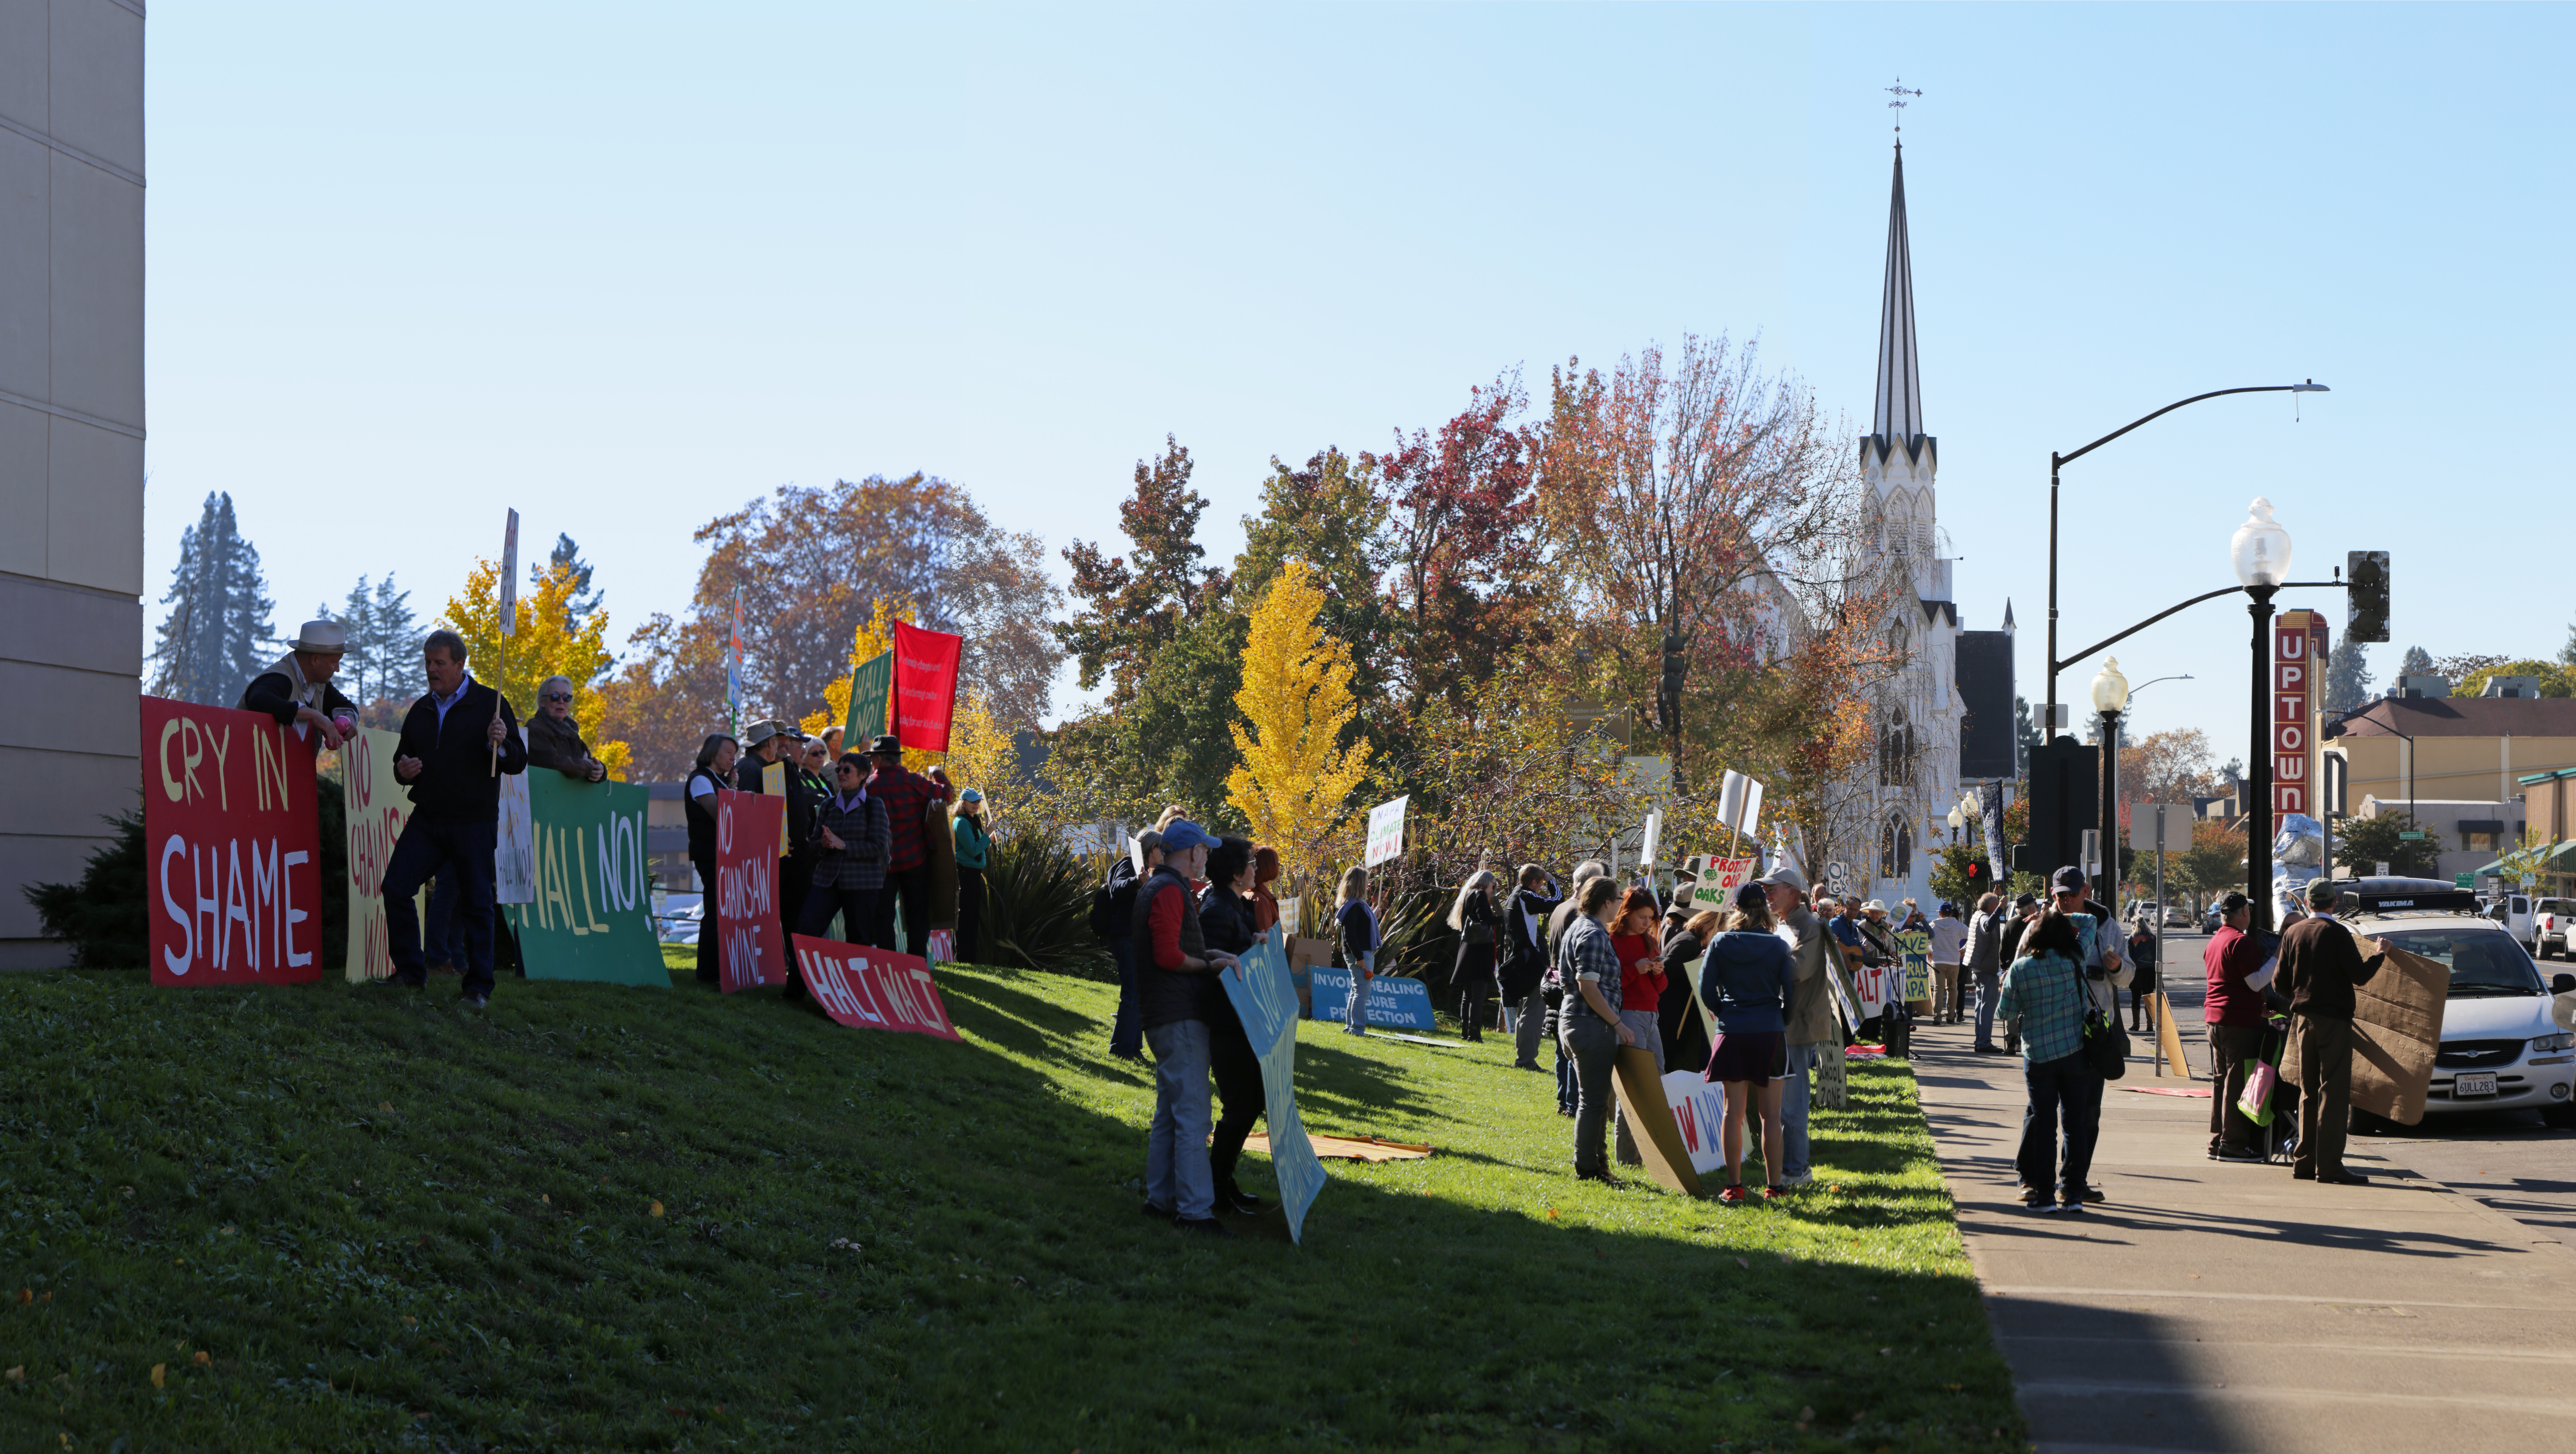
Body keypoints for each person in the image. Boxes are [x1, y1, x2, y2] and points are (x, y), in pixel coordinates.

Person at [375, 630, 527, 1009]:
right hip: (427, 818)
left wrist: (503, 743)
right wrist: (403, 770)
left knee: (477, 903)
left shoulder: (491, 705)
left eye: (439, 663)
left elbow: (518, 762)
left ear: (460, 665)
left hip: (474, 821)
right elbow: (401, 762)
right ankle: (411, 973)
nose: (431, 670)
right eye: (428, 663)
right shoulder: (421, 710)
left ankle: (478, 988)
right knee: (395, 888)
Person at [1131, 819, 1238, 1234]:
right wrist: (1210, 966)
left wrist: (1214, 954)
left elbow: (1178, 947)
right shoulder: (1170, 890)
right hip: (1178, 1018)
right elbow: (1169, 956)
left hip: (1164, 1016)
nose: (1208, 857)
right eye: (1205, 851)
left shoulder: (1161, 888)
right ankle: (1194, 1211)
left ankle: (1160, 1200)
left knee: (1169, 1114)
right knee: (1193, 1116)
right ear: (1191, 851)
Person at [2276, 878, 2391, 1186]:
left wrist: (2300, 997)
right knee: (2333, 1092)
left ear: (2308, 904)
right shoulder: (2338, 934)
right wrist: (2379, 954)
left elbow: (2278, 983)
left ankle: (2304, 1161)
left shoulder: (2293, 933)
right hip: (2334, 1022)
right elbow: (2360, 975)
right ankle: (2328, 1166)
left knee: (2308, 1091)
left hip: (2303, 1020)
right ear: (2334, 903)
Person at [1996, 904, 2104, 1212]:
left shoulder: (2022, 968)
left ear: (2035, 935)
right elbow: (2090, 922)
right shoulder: (2075, 959)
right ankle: (2072, 1194)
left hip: (2039, 1057)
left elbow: (2004, 1013)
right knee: (2074, 1125)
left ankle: (2044, 1196)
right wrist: (2060, 916)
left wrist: (2040, 920)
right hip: (2074, 1053)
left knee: (2045, 1125)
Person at [1702, 883, 1798, 1203]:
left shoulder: (1720, 942)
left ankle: (1734, 1186)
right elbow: (1792, 992)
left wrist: (1725, 1013)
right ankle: (1775, 1186)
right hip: (1769, 1032)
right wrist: (1780, 1019)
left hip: (1732, 1031)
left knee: (1733, 1112)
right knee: (1771, 1115)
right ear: (1765, 910)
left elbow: (1706, 992)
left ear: (1736, 909)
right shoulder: (1778, 946)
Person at [1195, 835, 1269, 1215]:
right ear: (1237, 872)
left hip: (1242, 1022)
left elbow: (1237, 954)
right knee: (1242, 1105)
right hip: (1227, 1024)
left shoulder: (1233, 904)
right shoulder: (1217, 907)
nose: (1256, 869)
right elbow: (1209, 963)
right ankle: (1216, 1186)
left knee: (1251, 1102)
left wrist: (1256, 944)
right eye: (1252, 864)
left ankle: (1223, 1181)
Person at [1558, 876, 1634, 1182]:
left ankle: (1597, 1164)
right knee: (1593, 1103)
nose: (1620, 905)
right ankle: (1589, 1168)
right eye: (1619, 899)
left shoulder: (1582, 928)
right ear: (1607, 902)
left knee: (1594, 1101)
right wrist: (1617, 1023)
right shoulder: (1592, 932)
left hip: (1580, 1024)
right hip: (1591, 1026)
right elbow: (1588, 986)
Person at [1764, 865, 1832, 1188]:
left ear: (1792, 892)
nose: (1767, 895)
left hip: (1798, 1025)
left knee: (1792, 1106)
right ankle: (1790, 1166)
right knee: (1782, 1106)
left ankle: (1796, 1170)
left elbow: (1796, 971)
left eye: (1772, 889)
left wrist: (1757, 959)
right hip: (1784, 1023)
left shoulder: (1809, 926)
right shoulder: (1785, 923)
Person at [862, 734, 951, 956]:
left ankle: (889, 965)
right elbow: (947, 794)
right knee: (917, 915)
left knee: (883, 916)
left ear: (879, 760)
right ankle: (917, 965)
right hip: (915, 860)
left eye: (873, 757)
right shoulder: (914, 780)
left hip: (883, 864)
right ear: (896, 759)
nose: (872, 762)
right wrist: (937, 772)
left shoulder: (868, 787)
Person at [734, 721, 815, 953]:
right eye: (779, 739)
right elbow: (749, 812)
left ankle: (791, 957)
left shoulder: (778, 767)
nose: (784, 744)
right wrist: (773, 838)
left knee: (793, 908)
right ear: (770, 743)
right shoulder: (752, 768)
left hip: (787, 851)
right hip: (767, 855)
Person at [2202, 892, 2272, 1163]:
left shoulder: (2216, 941)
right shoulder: (2243, 942)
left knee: (2222, 1080)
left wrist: (2257, 1007)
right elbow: (2255, 982)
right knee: (2236, 1081)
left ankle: (2217, 1140)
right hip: (2238, 1023)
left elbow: (2231, 982)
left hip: (2215, 1019)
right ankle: (2233, 1143)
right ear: (2244, 913)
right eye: (2249, 911)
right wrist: (2277, 957)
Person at [794, 751, 889, 944]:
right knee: (806, 931)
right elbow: (813, 845)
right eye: (839, 769)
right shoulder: (828, 805)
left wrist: (844, 845)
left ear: (863, 775)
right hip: (827, 881)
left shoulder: (874, 806)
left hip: (862, 884)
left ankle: (857, 975)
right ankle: (798, 976)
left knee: (859, 941)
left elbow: (879, 847)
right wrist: (823, 844)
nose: (841, 774)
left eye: (848, 770)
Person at [1544, 861, 1610, 1110]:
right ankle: (1571, 1102)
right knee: (1572, 1050)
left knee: (1564, 1048)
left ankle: (1565, 1100)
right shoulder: (1578, 914)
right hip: (1572, 985)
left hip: (1557, 981)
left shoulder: (1561, 907)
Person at [1609, 887, 1667, 1166]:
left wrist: (1657, 972)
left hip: (1652, 1016)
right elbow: (1610, 985)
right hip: (1628, 1015)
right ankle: (1629, 1158)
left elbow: (1662, 987)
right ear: (1627, 912)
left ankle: (1652, 1151)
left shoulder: (1650, 941)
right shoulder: (1613, 940)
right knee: (1633, 1087)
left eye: (1651, 918)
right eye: (1642, 917)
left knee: (1656, 1082)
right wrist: (1635, 969)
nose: (1646, 923)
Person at [238, 618, 356, 750]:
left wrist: (349, 721)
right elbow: (259, 700)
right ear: (315, 660)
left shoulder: (321, 685)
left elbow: (346, 707)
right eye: (335, 662)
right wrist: (315, 716)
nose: (338, 669)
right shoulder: (281, 678)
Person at [683, 734, 737, 985]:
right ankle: (708, 974)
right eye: (728, 752)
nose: (733, 757)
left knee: (723, 912)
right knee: (715, 912)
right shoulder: (701, 780)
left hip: (724, 854)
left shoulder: (719, 780)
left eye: (734, 753)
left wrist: (732, 788)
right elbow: (722, 814)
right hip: (711, 854)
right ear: (713, 753)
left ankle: (721, 969)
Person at [1504, 864, 1557, 1071]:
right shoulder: (1526, 896)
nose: (1542, 887)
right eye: (1541, 884)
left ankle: (1523, 1058)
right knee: (1535, 1011)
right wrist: (1552, 881)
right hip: (1530, 962)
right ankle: (1526, 1060)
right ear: (1534, 882)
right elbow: (1557, 902)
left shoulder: (1515, 895)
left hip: (1520, 960)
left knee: (1525, 1011)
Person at [1659, 908, 1718, 1077]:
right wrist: (1696, 963)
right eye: (1720, 929)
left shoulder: (1692, 940)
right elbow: (1667, 971)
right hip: (1674, 1017)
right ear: (1710, 928)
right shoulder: (1689, 941)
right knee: (1678, 1068)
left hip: (1680, 1014)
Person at [1445, 870, 1501, 1042]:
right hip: (1480, 951)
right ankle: (1475, 1034)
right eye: (1494, 885)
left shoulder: (1469, 894)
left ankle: (1465, 1031)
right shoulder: (1480, 895)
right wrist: (1503, 918)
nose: (1495, 889)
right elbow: (1484, 917)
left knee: (1468, 994)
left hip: (1468, 949)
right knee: (1478, 994)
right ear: (1486, 883)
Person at [524, 675, 608, 782]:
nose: (561, 701)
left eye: (567, 697)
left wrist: (601, 771)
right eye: (555, 697)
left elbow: (590, 762)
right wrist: (586, 767)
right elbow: (553, 763)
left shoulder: (572, 734)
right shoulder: (535, 729)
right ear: (543, 702)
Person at [1336, 866, 1379, 1036]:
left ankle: (1351, 1028)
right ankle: (1357, 1029)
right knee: (1363, 991)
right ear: (1360, 883)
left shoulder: (1357, 905)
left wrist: (1373, 915)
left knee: (1358, 989)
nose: (1368, 884)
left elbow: (1359, 928)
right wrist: (1359, 957)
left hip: (1361, 953)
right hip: (1359, 954)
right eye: (1366, 881)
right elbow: (1350, 935)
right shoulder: (1353, 906)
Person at [952, 789, 991, 964]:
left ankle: (971, 959)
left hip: (975, 874)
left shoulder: (974, 821)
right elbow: (974, 849)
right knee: (967, 917)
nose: (977, 804)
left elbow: (980, 848)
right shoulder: (961, 822)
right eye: (973, 801)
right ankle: (963, 958)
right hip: (965, 873)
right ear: (963, 803)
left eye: (978, 801)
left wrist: (987, 839)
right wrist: (988, 836)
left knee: (974, 916)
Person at [1965, 891, 2007, 1052]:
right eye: (1996, 905)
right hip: (1987, 968)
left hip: (1979, 968)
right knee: (1988, 1008)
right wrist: (2001, 908)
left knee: (1980, 1007)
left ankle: (1980, 1041)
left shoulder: (1978, 914)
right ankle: (1984, 1043)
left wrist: (1995, 897)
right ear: (1990, 907)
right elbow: (1988, 927)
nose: (1998, 907)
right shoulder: (1984, 917)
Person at [1930, 901, 1970, 1024]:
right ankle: (1951, 1016)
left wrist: (1929, 951)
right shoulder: (1959, 926)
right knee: (1952, 989)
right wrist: (1964, 950)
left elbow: (1924, 939)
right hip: (1954, 961)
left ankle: (1937, 1017)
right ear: (1952, 913)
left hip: (1938, 961)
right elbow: (1973, 936)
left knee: (1938, 989)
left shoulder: (1933, 925)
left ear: (1940, 913)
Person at [2127, 916, 2161, 1034]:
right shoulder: (2153, 938)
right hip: (2150, 972)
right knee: (2149, 999)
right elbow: (2158, 955)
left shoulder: (2132, 939)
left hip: (2136, 972)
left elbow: (2129, 957)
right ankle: (2150, 1025)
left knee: (2135, 999)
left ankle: (2136, 1024)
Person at [1250, 847, 1282, 935]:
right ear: (1270, 867)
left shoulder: (1250, 893)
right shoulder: (1261, 901)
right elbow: (1266, 943)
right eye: (1278, 864)